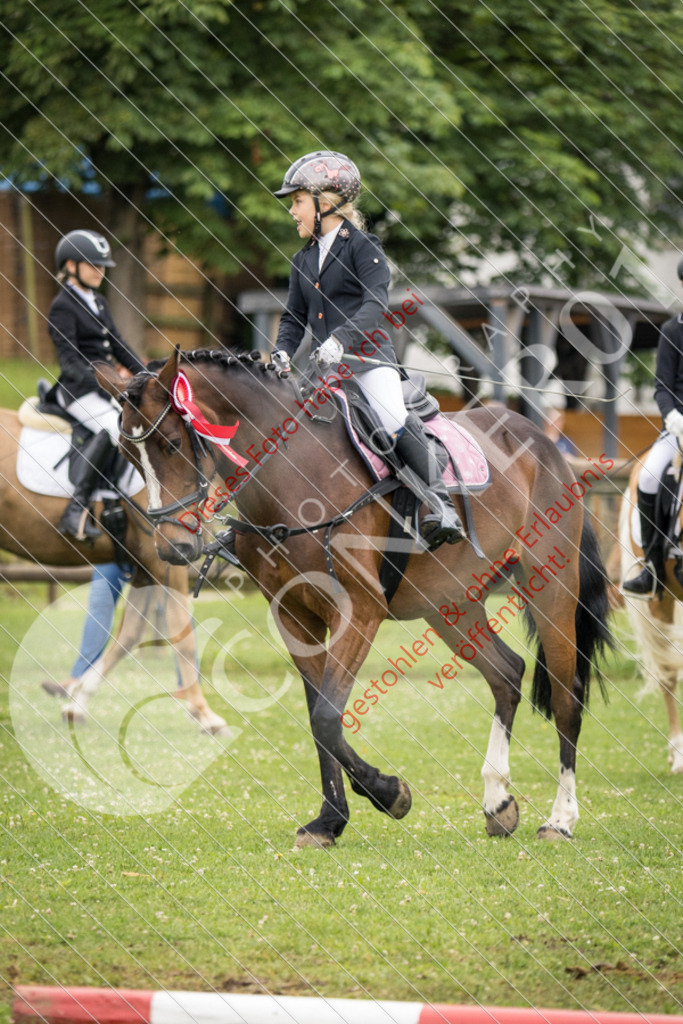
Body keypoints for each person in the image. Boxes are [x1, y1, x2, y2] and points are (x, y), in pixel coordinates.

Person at [269, 150, 465, 549]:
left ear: (325, 203)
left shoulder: (362, 246)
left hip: (367, 359)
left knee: (391, 417)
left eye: (298, 202)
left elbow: (375, 303)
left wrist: (341, 339)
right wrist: (282, 352)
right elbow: (293, 318)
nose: (292, 211)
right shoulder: (301, 260)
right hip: (324, 368)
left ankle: (442, 505)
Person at [48, 229, 146, 541]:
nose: (100, 271)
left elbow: (119, 346)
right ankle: (75, 509)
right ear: (71, 266)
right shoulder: (62, 306)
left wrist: (147, 377)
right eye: (92, 264)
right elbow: (70, 362)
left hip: (105, 389)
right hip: (77, 390)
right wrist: (109, 384)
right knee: (112, 429)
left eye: (102, 265)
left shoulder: (99, 302)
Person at [622, 254, 683, 594]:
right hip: (678, 429)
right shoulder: (673, 331)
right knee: (647, 476)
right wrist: (673, 417)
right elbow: (663, 386)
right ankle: (653, 566)